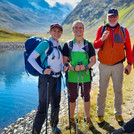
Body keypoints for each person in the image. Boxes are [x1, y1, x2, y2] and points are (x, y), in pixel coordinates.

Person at [93, 8, 132, 127]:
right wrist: (102, 39)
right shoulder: (102, 29)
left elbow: (128, 48)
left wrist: (129, 64)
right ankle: (100, 115)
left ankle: (118, 113)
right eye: (110, 17)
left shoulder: (124, 31)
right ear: (107, 17)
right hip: (104, 65)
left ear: (118, 17)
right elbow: (95, 45)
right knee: (102, 91)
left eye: (114, 16)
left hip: (118, 65)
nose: (112, 18)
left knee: (118, 90)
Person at [28, 23, 63, 134]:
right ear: (50, 31)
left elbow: (58, 63)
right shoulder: (45, 44)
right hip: (46, 80)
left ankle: (53, 126)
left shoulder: (58, 45)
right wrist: (42, 70)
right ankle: (35, 132)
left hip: (57, 78)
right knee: (43, 107)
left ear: (61, 33)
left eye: (59, 31)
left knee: (56, 105)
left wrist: (64, 67)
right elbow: (31, 59)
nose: (56, 33)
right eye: (54, 31)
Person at [62, 20, 96, 130]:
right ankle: (71, 119)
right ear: (73, 30)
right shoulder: (68, 45)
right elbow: (65, 61)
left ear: (83, 30)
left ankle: (87, 118)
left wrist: (85, 67)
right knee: (72, 98)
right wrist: (72, 67)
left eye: (80, 27)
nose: (78, 30)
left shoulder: (89, 44)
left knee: (86, 97)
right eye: (76, 28)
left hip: (86, 76)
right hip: (72, 76)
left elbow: (93, 60)